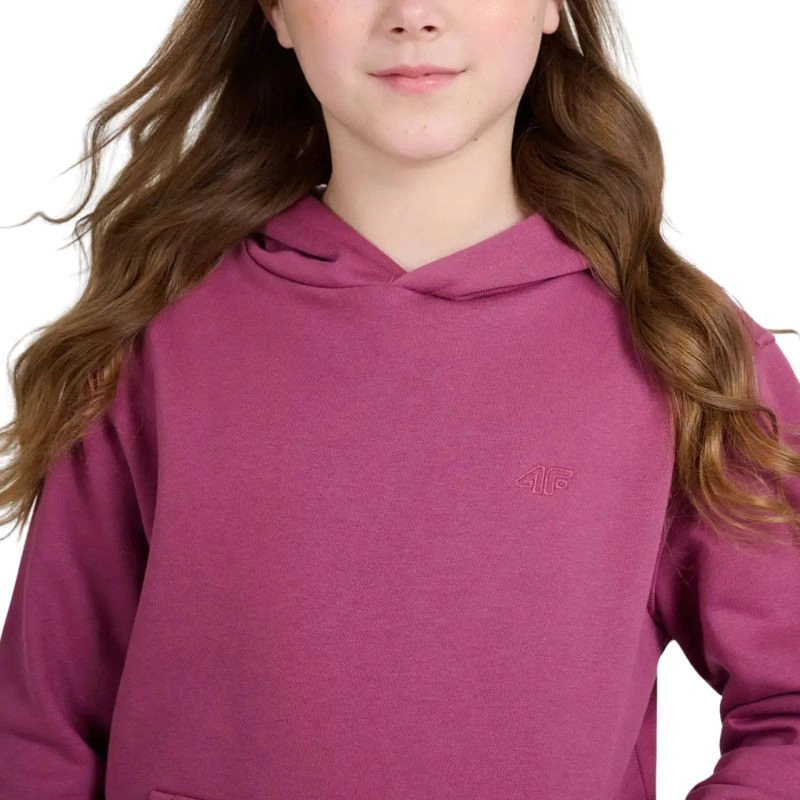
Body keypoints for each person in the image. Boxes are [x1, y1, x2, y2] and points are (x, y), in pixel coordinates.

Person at [0, 1, 798, 798]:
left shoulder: (680, 354)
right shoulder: (157, 339)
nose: (413, 14)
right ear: (276, 13)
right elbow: (41, 730)